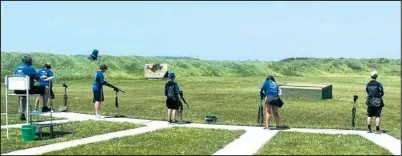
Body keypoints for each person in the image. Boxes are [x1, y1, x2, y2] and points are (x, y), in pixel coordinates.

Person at [13, 54, 46, 120]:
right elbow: (38, 78)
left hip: (17, 90)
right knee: (45, 89)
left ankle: (22, 112)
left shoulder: (17, 68)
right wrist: (43, 78)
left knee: (23, 96)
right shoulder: (30, 69)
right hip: (28, 89)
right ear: (29, 61)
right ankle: (45, 107)